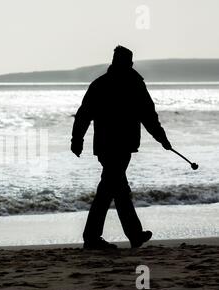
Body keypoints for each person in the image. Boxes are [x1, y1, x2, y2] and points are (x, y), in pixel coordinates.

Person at [71, 45, 172, 250]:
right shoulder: (131, 84)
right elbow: (148, 116)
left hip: (110, 145)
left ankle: (129, 235)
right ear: (128, 63)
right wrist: (77, 139)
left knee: (115, 189)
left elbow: (84, 114)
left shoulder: (103, 84)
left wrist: (77, 139)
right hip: (117, 145)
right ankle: (95, 237)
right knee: (110, 189)